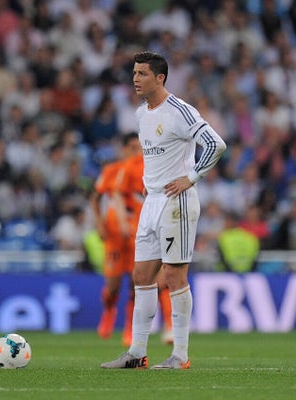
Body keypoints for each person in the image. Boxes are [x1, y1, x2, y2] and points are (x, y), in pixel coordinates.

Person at [101, 52, 226, 370]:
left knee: (173, 275)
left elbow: (216, 144)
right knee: (141, 276)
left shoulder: (180, 111)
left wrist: (192, 177)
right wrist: (148, 183)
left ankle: (180, 356)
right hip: (152, 201)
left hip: (177, 201)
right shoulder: (141, 114)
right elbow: (154, 156)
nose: (135, 79)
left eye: (142, 73)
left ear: (160, 78)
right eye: (134, 73)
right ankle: (137, 354)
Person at [92, 132, 172, 347]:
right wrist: (100, 224)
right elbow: (97, 197)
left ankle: (129, 329)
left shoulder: (148, 169)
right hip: (115, 236)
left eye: (140, 147)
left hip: (138, 234)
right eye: (132, 147)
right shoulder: (112, 171)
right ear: (124, 149)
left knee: (138, 283)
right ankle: (109, 309)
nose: (136, 151)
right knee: (113, 286)